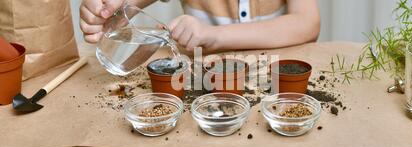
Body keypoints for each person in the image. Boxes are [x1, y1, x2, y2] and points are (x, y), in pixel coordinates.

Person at [80, 0, 320, 52]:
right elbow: (125, 5)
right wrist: (107, 9)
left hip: (275, 81)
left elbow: (307, 23)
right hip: (204, 85)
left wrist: (214, 35)